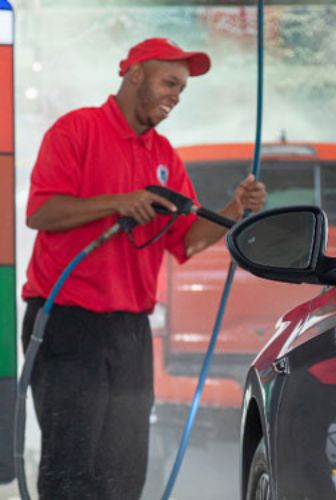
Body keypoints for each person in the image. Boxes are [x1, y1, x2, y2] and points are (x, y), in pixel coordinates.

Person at [20, 38, 266, 499]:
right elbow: (40, 213)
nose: (176, 95)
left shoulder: (164, 156)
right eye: (169, 83)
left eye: (182, 89)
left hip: (129, 331)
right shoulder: (76, 131)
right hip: (66, 323)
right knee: (72, 467)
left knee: (125, 470)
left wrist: (235, 207)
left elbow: (188, 241)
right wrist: (119, 202)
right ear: (135, 74)